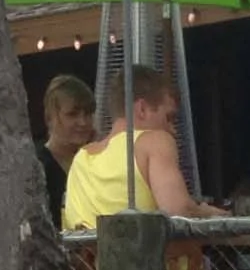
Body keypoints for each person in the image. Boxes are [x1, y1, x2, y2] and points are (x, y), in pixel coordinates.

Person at [61, 68, 227, 228]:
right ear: (142, 109)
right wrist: (207, 214)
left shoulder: (80, 159)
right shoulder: (155, 141)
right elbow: (177, 212)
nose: (173, 129)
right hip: (151, 256)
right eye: (168, 117)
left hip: (96, 255)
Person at [35, 73, 97, 222]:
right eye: (72, 115)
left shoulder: (95, 161)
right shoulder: (39, 166)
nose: (82, 122)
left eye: (88, 114)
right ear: (50, 118)